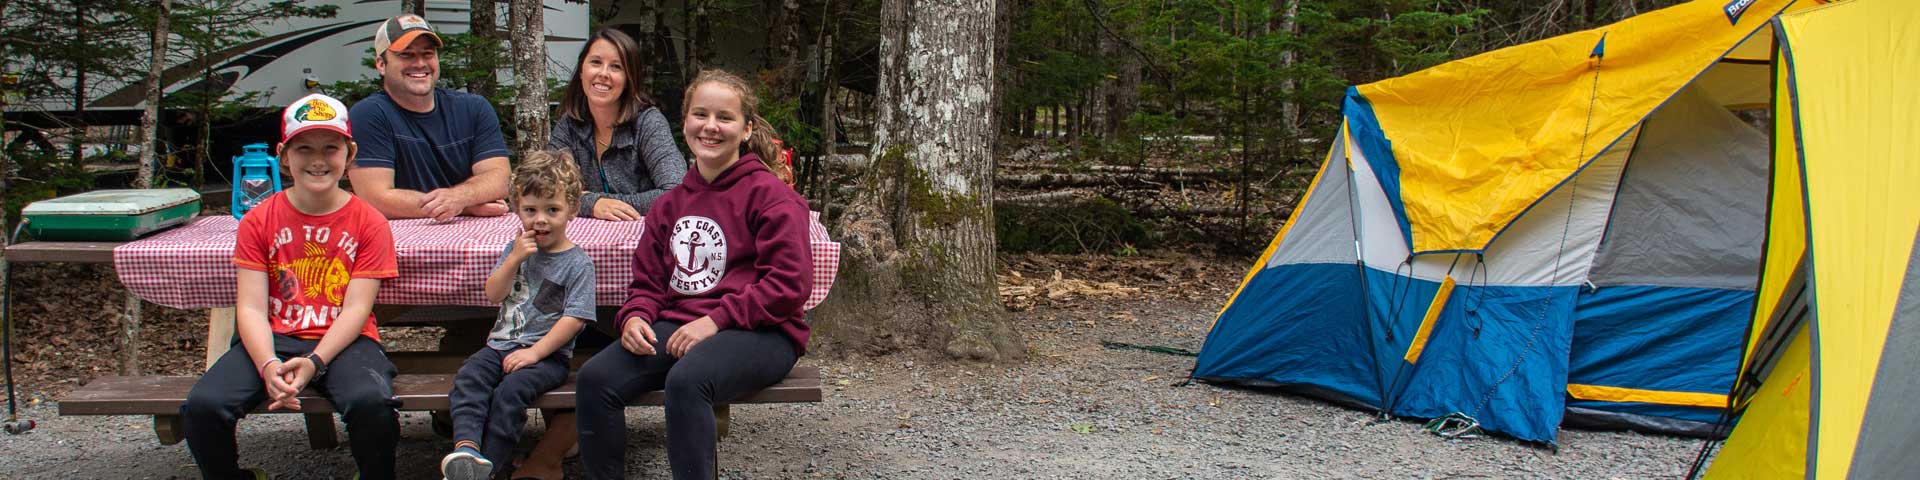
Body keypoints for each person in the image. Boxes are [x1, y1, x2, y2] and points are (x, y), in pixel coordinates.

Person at [573, 69, 811, 480]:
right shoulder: (670, 204)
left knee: (689, 380)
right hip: (681, 325)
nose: (711, 127)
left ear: (746, 128)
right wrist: (634, 316)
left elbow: (788, 286)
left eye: (725, 117)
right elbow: (647, 283)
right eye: (700, 114)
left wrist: (715, 320)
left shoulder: (771, 197)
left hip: (764, 332)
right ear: (684, 123)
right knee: (596, 378)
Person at [181, 93, 401, 480]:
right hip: (274, 337)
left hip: (345, 340)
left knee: (372, 404)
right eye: (304, 149)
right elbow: (249, 308)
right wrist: (267, 363)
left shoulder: (370, 222)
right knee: (202, 407)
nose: (318, 160)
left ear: (349, 155)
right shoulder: (258, 220)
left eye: (330, 148)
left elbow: (356, 309)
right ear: (284, 155)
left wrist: (316, 361)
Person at [439, 150, 597, 480]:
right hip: (499, 347)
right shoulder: (515, 250)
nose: (540, 219)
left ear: (571, 210)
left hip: (547, 357)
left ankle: (490, 468)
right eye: (530, 210)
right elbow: (493, 293)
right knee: (468, 378)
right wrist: (512, 261)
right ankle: (466, 449)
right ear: (517, 209)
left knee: (509, 395)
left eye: (552, 210)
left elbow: (575, 319)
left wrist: (534, 353)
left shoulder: (577, 263)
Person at [347, 14, 511, 221]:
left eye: (428, 53)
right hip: (400, 244)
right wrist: (463, 206)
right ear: (381, 64)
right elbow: (375, 198)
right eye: (407, 55)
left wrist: (459, 197)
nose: (420, 63)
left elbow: (500, 179)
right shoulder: (368, 115)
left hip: (474, 239)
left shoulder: (474, 108)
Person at [548, 28, 686, 221]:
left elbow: (677, 192)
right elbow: (547, 189)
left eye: (616, 67)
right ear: (581, 71)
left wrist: (593, 200)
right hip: (586, 242)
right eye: (596, 62)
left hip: (643, 238)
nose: (604, 73)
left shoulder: (648, 122)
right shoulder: (568, 125)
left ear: (629, 79)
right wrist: (592, 204)